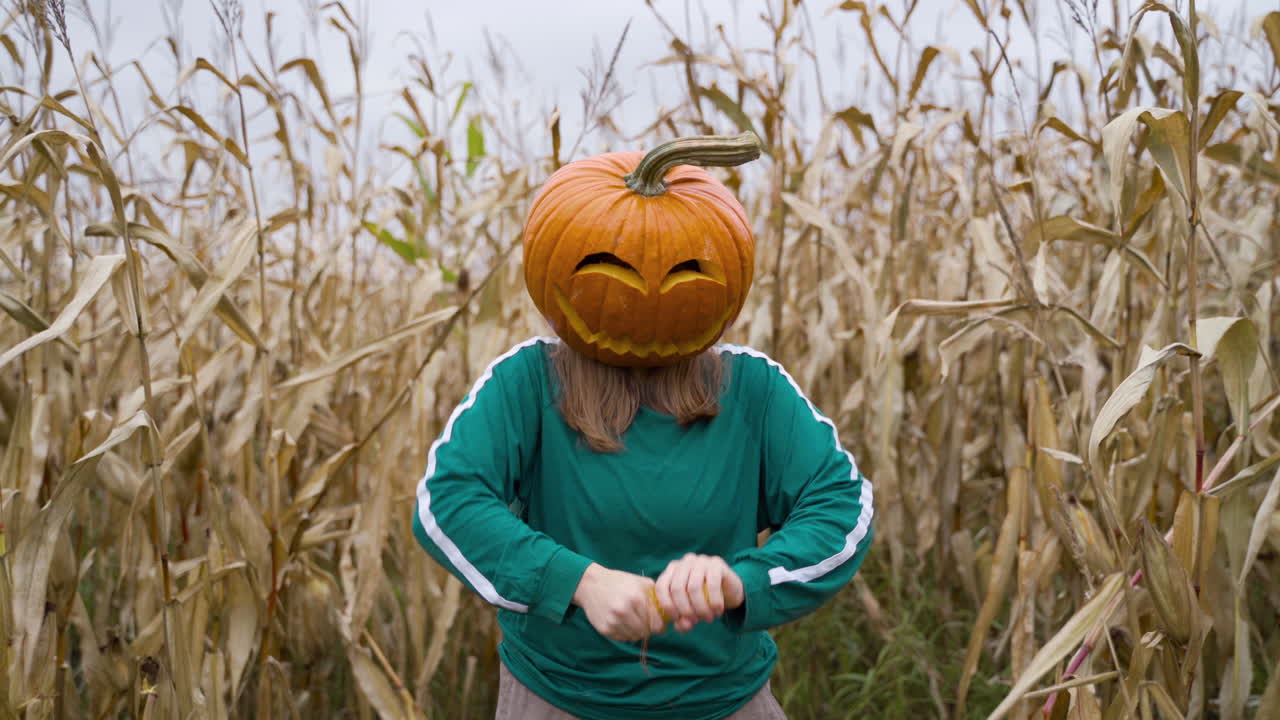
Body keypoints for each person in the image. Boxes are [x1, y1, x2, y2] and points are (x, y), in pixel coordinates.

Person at [411, 133, 874, 720]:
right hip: (559, 700)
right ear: (556, 268)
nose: (650, 293)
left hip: (724, 703)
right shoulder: (526, 384)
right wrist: (579, 581)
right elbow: (446, 502)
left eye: (686, 272)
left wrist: (739, 581)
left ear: (725, 279)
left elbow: (841, 505)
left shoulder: (753, 389)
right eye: (608, 270)